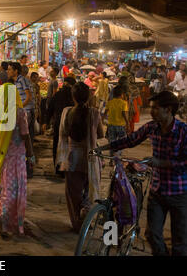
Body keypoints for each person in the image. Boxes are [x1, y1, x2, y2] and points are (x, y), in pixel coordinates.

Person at [96, 91, 187, 256]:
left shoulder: (183, 131)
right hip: (157, 190)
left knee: (180, 241)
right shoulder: (152, 127)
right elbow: (130, 140)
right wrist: (103, 147)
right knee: (152, 235)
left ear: (168, 109)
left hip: (179, 193)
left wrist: (161, 163)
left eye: (155, 108)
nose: (151, 111)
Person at [0, 82, 35, 238]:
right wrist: (31, 155)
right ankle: (8, 222)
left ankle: (0, 216)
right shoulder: (19, 113)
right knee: (14, 191)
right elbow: (26, 135)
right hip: (16, 158)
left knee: (2, 189)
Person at [57, 82, 104, 232]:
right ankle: (87, 218)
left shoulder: (66, 112)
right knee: (89, 192)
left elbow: (63, 134)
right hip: (90, 159)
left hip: (72, 158)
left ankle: (77, 223)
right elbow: (101, 134)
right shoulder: (94, 113)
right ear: (89, 96)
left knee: (73, 194)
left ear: (73, 97)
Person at [47, 77, 76, 176]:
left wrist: (46, 122)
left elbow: (50, 108)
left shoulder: (58, 94)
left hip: (58, 123)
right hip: (71, 124)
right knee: (70, 146)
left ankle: (59, 168)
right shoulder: (73, 95)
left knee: (57, 145)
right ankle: (68, 168)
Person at [104, 86, 129, 158]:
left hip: (111, 125)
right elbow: (124, 114)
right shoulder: (124, 103)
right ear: (122, 94)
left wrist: (102, 120)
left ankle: (112, 158)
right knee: (122, 142)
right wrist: (127, 123)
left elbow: (105, 113)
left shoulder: (110, 102)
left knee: (112, 142)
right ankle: (117, 156)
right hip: (121, 126)